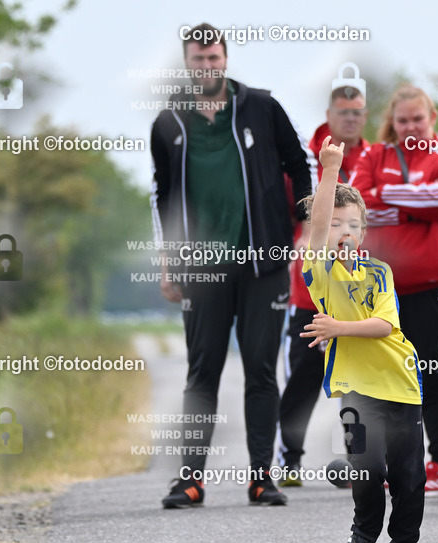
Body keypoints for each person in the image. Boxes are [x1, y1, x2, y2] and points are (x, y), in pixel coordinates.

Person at [153, 24, 315, 508]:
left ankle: (263, 477)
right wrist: (168, 262)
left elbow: (298, 161)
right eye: (199, 60)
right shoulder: (169, 121)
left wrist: (306, 221)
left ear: (226, 58)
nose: (208, 67)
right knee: (201, 371)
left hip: (263, 263)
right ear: (187, 63)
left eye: (215, 58)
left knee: (262, 370)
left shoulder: (262, 107)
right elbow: (163, 195)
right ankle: (189, 480)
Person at [301, 136, 425, 543]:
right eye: (336, 225)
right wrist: (329, 168)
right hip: (356, 390)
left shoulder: (379, 272)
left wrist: (336, 328)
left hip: (400, 383)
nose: (345, 232)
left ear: (365, 234)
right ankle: (362, 536)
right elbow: (316, 228)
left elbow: (383, 327)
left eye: (353, 225)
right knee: (366, 474)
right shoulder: (320, 270)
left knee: (409, 479)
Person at [351, 85, 438, 496]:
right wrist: (415, 210)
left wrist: (385, 199)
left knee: (431, 376)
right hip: (378, 292)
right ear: (392, 122)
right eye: (402, 120)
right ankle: (392, 463)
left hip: (432, 287)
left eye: (417, 119)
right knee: (383, 378)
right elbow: (355, 208)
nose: (410, 127)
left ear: (432, 117)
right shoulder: (372, 156)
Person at [276, 85, 370, 486]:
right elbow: (286, 215)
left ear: (365, 116)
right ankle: (289, 458)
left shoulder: (376, 158)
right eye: (343, 111)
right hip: (308, 297)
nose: (350, 118)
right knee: (302, 380)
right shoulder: (304, 158)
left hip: (353, 298)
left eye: (357, 112)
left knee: (357, 384)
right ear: (329, 113)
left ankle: (359, 461)